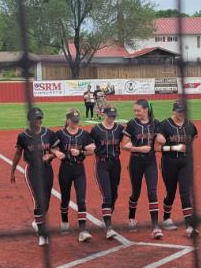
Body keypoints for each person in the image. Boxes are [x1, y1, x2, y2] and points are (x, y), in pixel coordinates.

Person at [10, 107, 59, 247]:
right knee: (38, 200)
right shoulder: (23, 136)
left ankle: (38, 221)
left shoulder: (49, 133)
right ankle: (42, 233)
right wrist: (12, 171)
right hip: (32, 170)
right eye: (37, 118)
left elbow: (56, 150)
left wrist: (51, 155)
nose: (39, 120)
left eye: (40, 118)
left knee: (47, 201)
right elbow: (18, 153)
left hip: (47, 170)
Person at [155, 99, 199, 237]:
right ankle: (167, 217)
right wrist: (175, 147)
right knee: (171, 192)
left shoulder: (190, 126)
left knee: (185, 192)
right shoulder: (164, 125)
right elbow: (157, 148)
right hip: (169, 162)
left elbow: (194, 138)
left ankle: (189, 226)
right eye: (179, 111)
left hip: (185, 163)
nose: (182, 113)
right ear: (174, 110)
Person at [52, 109, 94, 242]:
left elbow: (91, 151)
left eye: (77, 121)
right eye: (73, 121)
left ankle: (82, 230)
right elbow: (51, 147)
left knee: (81, 199)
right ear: (68, 120)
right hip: (65, 169)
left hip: (79, 169)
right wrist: (56, 153)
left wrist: (81, 151)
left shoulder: (84, 134)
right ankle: (64, 221)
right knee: (65, 198)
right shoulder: (60, 133)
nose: (76, 123)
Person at [123, 98, 162, 237]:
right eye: (135, 110)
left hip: (150, 162)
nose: (136, 113)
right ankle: (132, 218)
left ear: (146, 110)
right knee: (136, 192)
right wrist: (138, 149)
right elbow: (124, 145)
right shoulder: (132, 124)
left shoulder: (156, 124)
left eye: (138, 110)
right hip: (135, 162)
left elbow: (158, 144)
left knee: (152, 192)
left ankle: (156, 226)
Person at [90, 105, 125, 239]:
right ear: (104, 114)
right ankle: (108, 227)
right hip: (102, 164)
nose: (111, 118)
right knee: (107, 195)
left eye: (113, 116)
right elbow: (90, 143)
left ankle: (107, 215)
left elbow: (127, 140)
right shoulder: (96, 129)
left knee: (114, 194)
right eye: (110, 116)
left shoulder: (119, 129)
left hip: (116, 163)